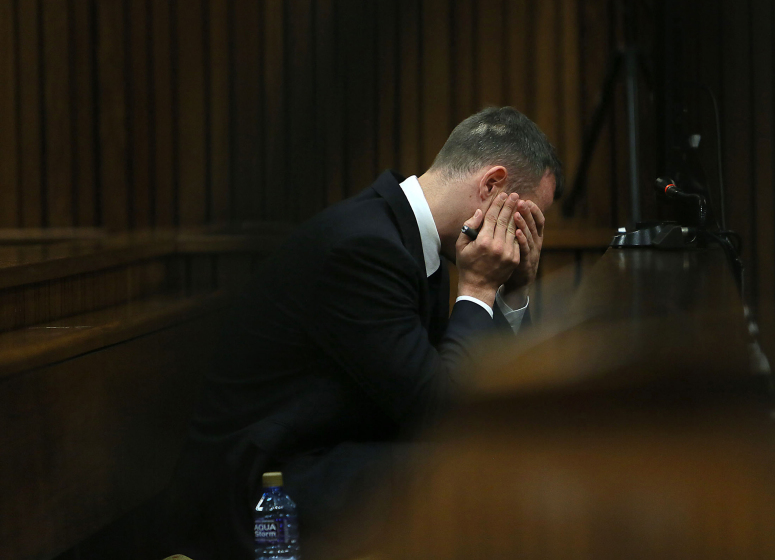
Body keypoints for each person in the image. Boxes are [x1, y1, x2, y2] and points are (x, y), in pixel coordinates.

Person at [161, 106, 563, 559]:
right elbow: (444, 415)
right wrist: (479, 288)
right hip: (266, 488)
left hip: (333, 453)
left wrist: (513, 293)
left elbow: (480, 395)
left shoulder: (406, 236)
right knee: (473, 476)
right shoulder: (365, 247)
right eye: (524, 219)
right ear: (491, 186)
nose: (523, 238)